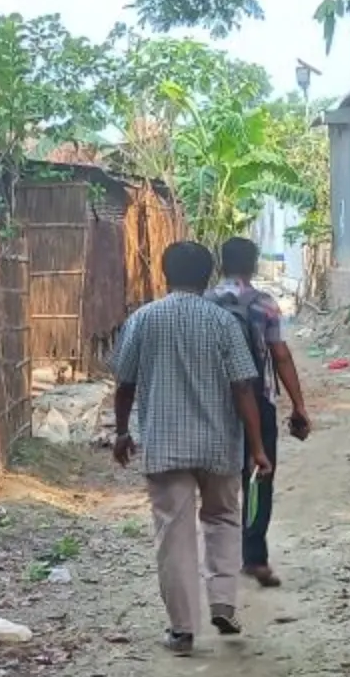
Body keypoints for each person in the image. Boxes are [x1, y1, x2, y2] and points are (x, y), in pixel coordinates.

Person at [112, 239, 271, 656]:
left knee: (174, 534)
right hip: (220, 444)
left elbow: (125, 383)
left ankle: (182, 630)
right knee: (223, 520)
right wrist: (257, 447)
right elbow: (243, 388)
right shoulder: (223, 323)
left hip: (165, 445)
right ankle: (223, 602)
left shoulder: (143, 320)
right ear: (206, 277)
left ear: (165, 274)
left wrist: (121, 431)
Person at [207, 236, 313, 586]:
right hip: (259, 399)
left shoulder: (206, 302)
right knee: (259, 475)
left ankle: (220, 555)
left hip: (215, 403)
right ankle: (254, 555)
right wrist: (298, 406)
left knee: (221, 479)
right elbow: (279, 354)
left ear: (221, 263)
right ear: (253, 265)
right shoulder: (264, 303)